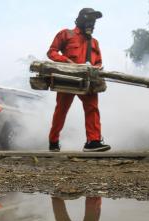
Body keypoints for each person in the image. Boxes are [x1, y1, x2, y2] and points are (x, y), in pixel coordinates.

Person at [47, 8, 111, 152]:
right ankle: (53, 140)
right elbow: (51, 52)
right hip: (68, 79)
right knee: (61, 111)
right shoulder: (66, 34)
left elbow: (99, 61)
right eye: (89, 21)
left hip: (87, 81)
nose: (92, 24)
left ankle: (93, 141)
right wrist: (67, 62)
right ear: (82, 20)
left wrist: (97, 69)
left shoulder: (94, 42)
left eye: (93, 22)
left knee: (92, 108)